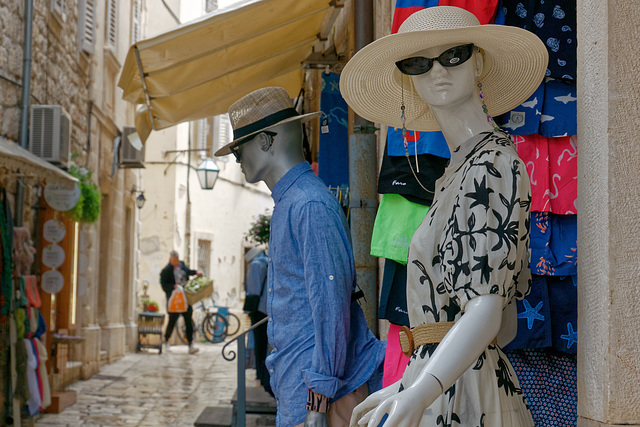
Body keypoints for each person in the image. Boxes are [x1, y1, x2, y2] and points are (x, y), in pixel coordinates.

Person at [340, 6, 548, 426]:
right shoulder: (455, 171)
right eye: (418, 62)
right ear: (408, 79)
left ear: (480, 61)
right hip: (441, 382)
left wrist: (420, 388)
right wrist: (406, 384)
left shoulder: (493, 165)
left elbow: (487, 311)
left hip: (466, 393)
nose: (437, 71)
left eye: (453, 55)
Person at [215, 87, 386, 427]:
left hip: (324, 398)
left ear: (265, 141)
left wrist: (318, 403)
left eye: (238, 149)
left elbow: (331, 308)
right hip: (302, 393)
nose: (237, 159)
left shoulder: (308, 204)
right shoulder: (291, 204)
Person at [160, 250, 203, 355]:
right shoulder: (166, 271)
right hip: (175, 300)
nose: (176, 262)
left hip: (185, 298)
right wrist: (173, 287)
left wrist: (195, 273)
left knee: (188, 320)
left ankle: (190, 345)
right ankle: (166, 341)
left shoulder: (182, 265)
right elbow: (164, 286)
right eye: (174, 261)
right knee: (172, 321)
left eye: (177, 260)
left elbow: (188, 271)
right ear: (171, 260)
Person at [244, 247, 272, 396]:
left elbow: (253, 289)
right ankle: (263, 374)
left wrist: (249, 309)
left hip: (258, 308)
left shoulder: (256, 264)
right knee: (266, 343)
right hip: (267, 308)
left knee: (260, 343)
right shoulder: (267, 262)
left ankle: (260, 374)